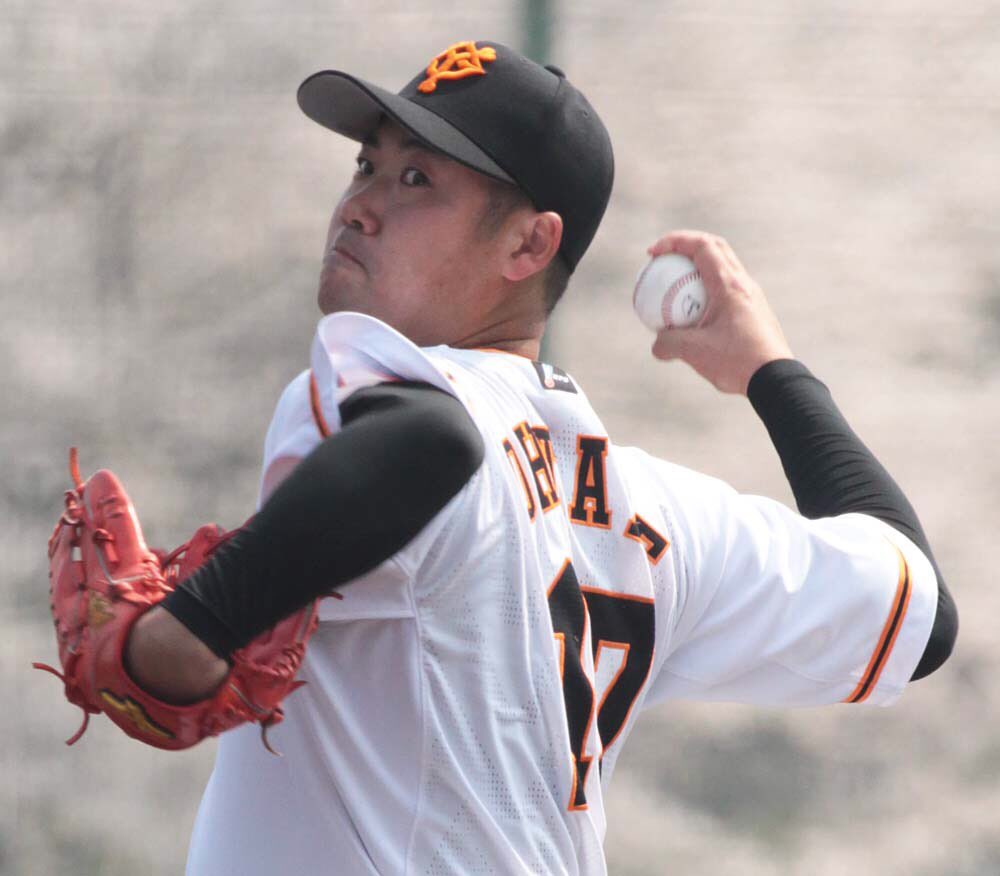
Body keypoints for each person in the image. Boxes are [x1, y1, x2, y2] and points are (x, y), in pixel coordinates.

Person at [115, 40, 955, 875]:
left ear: (528, 246)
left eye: (417, 179)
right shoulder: (657, 521)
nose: (361, 205)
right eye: (367, 165)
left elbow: (431, 445)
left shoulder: (387, 384)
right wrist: (772, 372)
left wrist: (194, 625)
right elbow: (920, 615)